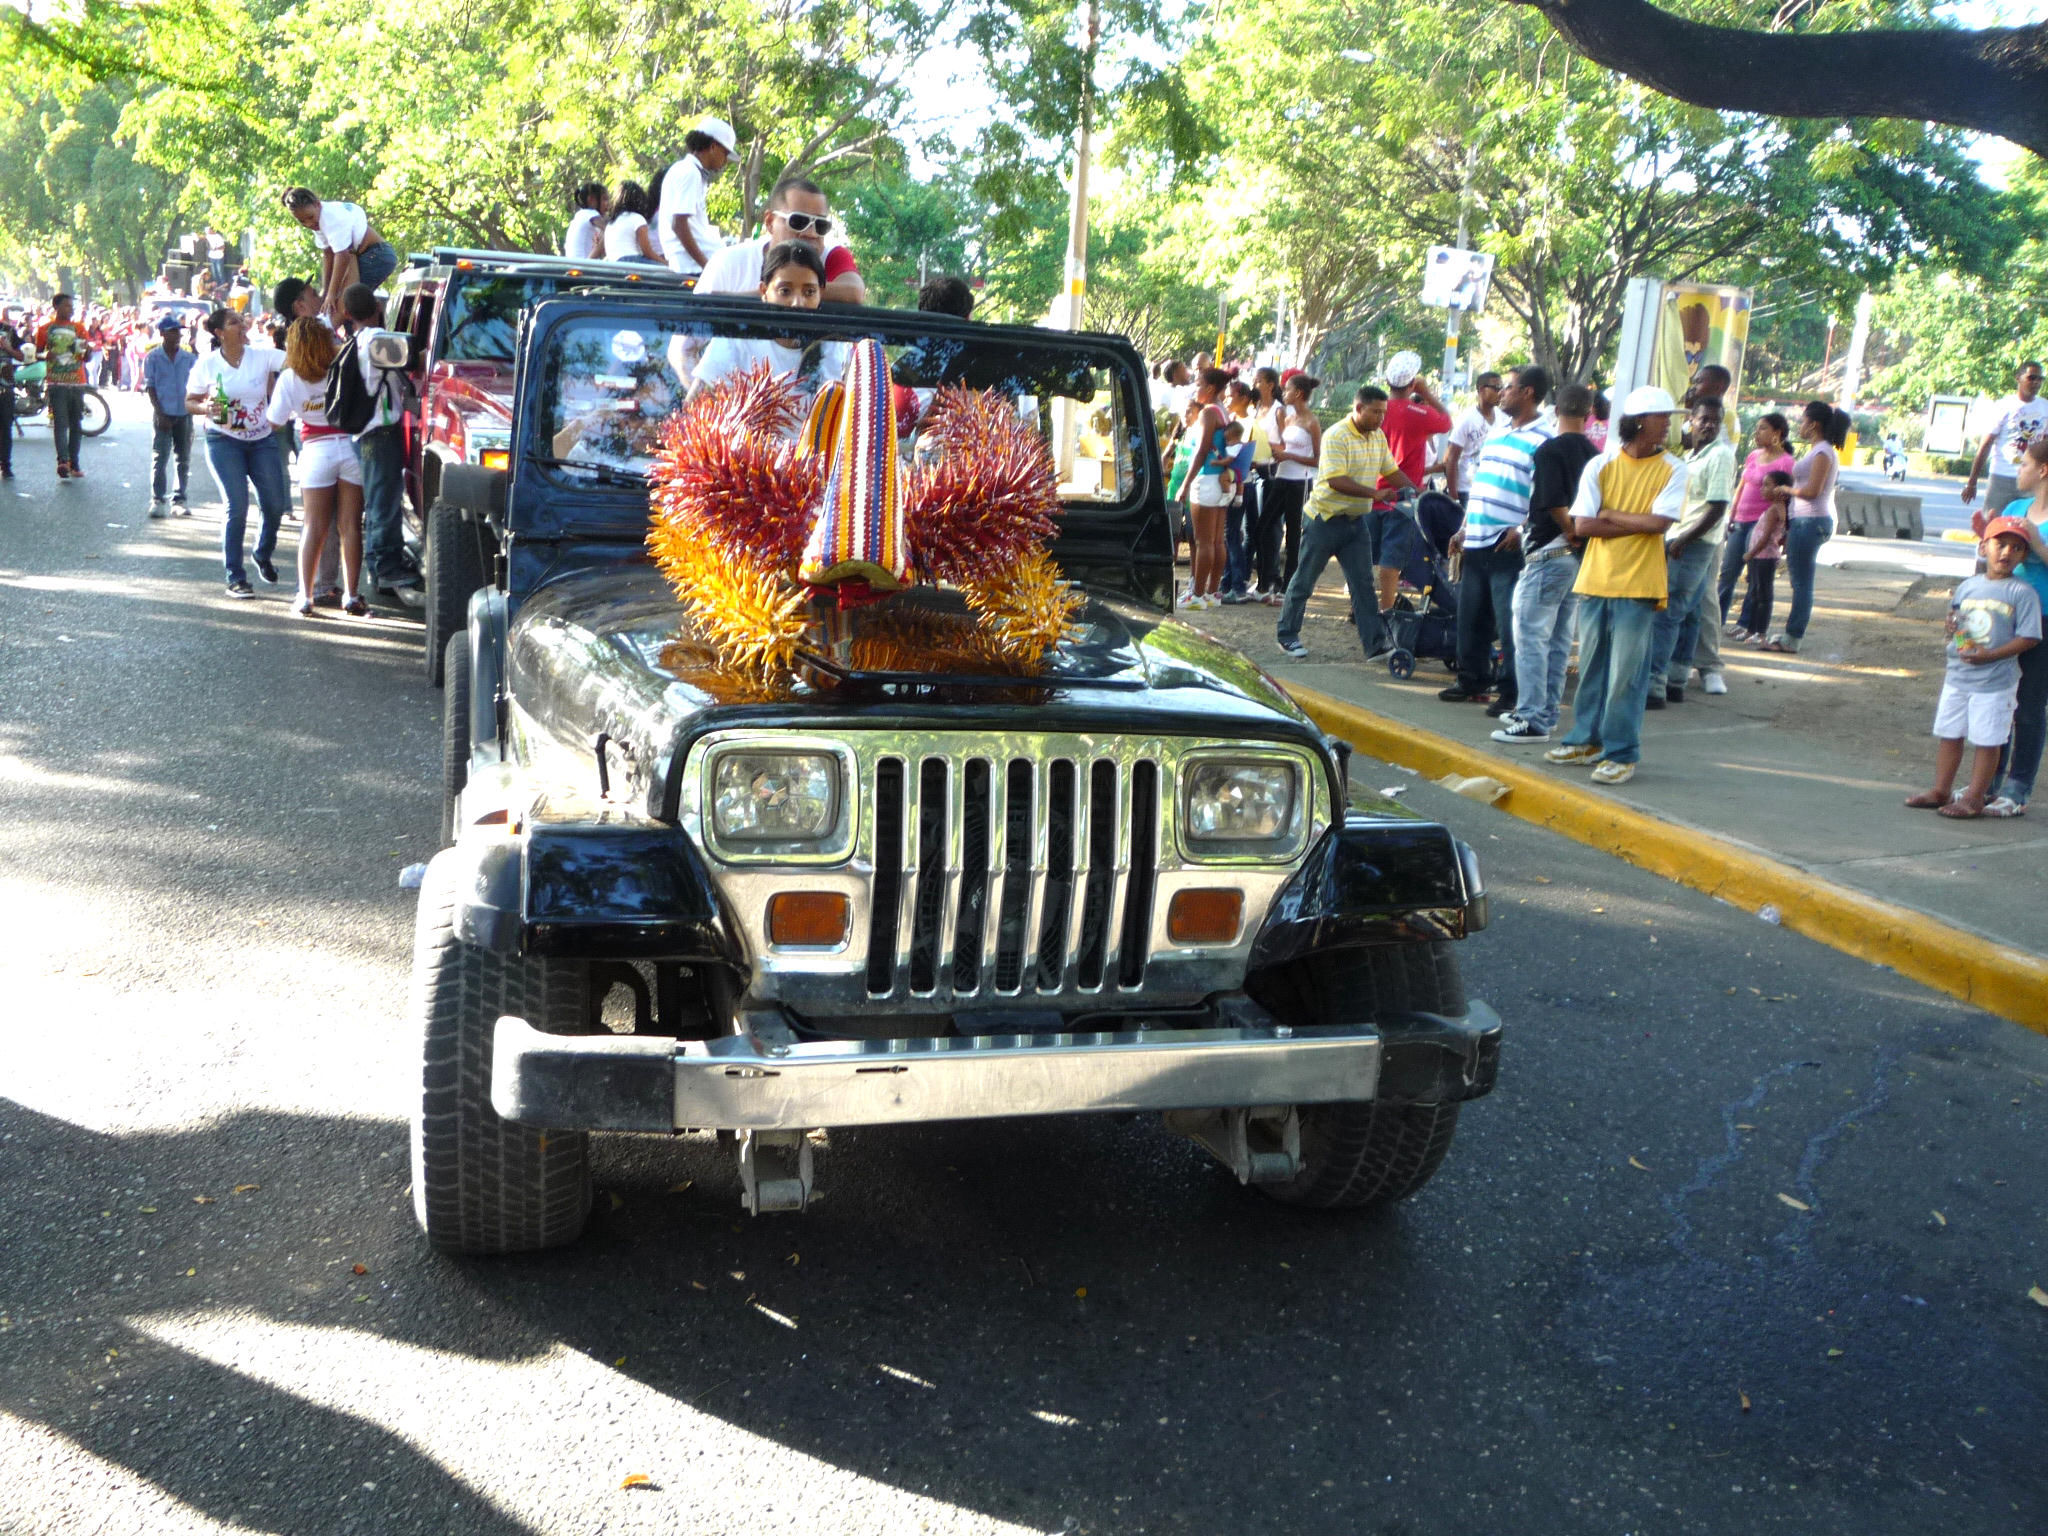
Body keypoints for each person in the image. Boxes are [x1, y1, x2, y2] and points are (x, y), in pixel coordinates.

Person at [1543, 385, 1686, 786]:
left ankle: (1621, 752)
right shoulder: (1601, 465)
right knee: (1592, 667)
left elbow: (1661, 524)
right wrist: (1633, 521)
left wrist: (1610, 514)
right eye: (1663, 418)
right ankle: (1585, 740)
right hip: (1597, 580)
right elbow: (1584, 525)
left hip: (1640, 585)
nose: (1668, 425)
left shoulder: (1674, 468)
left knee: (1626, 673)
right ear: (1639, 422)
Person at [1905, 520, 2040, 819]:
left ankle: (1975, 797)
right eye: (2000, 544)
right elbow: (1956, 621)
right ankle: (1941, 789)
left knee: (1988, 739)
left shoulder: (2022, 592)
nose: (2006, 552)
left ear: (2023, 556)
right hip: (1959, 674)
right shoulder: (1968, 586)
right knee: (1950, 733)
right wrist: (1951, 628)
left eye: (2016, 548)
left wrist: (1991, 655)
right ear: (1983, 547)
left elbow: (2029, 637)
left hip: (1995, 681)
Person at [1275, 385, 1417, 662]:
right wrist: (1375, 493)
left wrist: (1418, 492)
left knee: (1363, 584)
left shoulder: (1378, 437)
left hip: (1355, 522)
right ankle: (1287, 635)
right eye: (1375, 412)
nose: (1380, 418)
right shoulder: (1336, 435)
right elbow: (1335, 480)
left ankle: (1375, 645)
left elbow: (1391, 471)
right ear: (1359, 408)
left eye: (1383, 413)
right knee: (1304, 581)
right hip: (1324, 520)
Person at [1492, 383, 1598, 744]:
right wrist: (1578, 537)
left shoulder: (1549, 450)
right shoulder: (1594, 453)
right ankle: (1546, 712)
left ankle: (1532, 716)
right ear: (1589, 414)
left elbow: (1553, 501)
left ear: (1555, 411)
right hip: (1574, 559)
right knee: (1557, 639)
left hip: (1549, 552)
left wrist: (1570, 531)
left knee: (1531, 638)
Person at [1443, 364, 1551, 710]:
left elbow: (1544, 495)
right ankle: (1472, 679)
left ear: (1528, 392)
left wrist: (1521, 529)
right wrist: (1464, 527)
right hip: (1476, 538)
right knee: (1471, 615)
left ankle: (1511, 691)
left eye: (1509, 387)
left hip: (1507, 544)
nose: (1501, 393)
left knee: (1509, 622)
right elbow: (1481, 486)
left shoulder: (1543, 440)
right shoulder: (1497, 432)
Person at [187, 307, 289, 599]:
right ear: (219, 332)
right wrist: (206, 407)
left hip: (262, 440)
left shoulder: (262, 355)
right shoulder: (207, 364)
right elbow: (189, 402)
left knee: (274, 503)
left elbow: (298, 360)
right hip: (224, 441)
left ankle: (262, 552)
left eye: (242, 320)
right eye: (234, 322)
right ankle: (236, 576)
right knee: (237, 505)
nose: (243, 325)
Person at [269, 317, 367, 617]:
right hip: (351, 447)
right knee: (350, 526)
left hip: (314, 451)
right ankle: (351, 594)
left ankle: (306, 595)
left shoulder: (290, 377)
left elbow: (274, 421)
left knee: (313, 526)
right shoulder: (344, 368)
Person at [1648, 396, 1736, 706]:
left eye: (1715, 420)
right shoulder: (1692, 456)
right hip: (1681, 537)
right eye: (1703, 419)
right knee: (1688, 613)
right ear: (1692, 422)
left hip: (1693, 542)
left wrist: (1683, 539)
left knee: (1668, 613)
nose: (1709, 424)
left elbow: (1717, 507)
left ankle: (1655, 685)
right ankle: (1675, 679)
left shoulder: (1720, 456)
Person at [338, 284, 422, 607]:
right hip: (380, 432)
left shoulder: (356, 342)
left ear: (347, 314)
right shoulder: (378, 341)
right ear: (376, 308)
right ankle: (386, 566)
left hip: (364, 433)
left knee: (377, 501)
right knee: (383, 502)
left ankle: (378, 564)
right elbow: (414, 356)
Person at [686, 242, 847, 398]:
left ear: (821, 293)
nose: (798, 303)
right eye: (785, 291)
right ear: (764, 291)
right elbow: (695, 407)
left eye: (809, 292)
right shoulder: (737, 340)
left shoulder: (834, 349)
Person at [1984, 436, 2048, 816]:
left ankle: (2017, 787)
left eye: (2025, 464)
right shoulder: (2015, 506)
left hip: (2042, 620)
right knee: (1998, 701)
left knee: (2029, 705)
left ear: (2043, 470)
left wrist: (2037, 542)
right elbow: (1995, 559)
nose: (2019, 470)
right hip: (2004, 614)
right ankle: (1987, 781)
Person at [694, 177, 867, 305]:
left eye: (821, 225)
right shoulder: (728, 262)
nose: (812, 233)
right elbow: (684, 346)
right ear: (770, 222)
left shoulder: (831, 256)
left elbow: (854, 292)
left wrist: (774, 293)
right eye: (799, 221)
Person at [1760, 399, 1846, 654]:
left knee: (1801, 582)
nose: (1800, 424)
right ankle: (1791, 634)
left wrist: (1785, 489)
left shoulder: (1822, 452)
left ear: (1814, 424)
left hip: (1811, 520)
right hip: (1806, 520)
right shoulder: (1819, 450)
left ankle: (1792, 637)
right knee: (1800, 580)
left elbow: (1812, 490)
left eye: (1804, 420)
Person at [1374, 359, 1452, 618]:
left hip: (1370, 491)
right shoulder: (1418, 413)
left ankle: (1361, 606)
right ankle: (1386, 610)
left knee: (1366, 555)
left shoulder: (1376, 409)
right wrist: (1427, 393)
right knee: (1391, 558)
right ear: (1412, 383)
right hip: (1402, 496)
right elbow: (1446, 422)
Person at [1719, 411, 1794, 638]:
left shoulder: (1787, 462)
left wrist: (1784, 531)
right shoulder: (1753, 455)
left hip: (1762, 523)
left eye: (1763, 428)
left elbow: (1786, 497)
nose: (1757, 432)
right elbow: (1742, 485)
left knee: (1754, 576)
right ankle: (1716, 618)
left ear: (1777, 433)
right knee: (1728, 571)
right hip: (1740, 519)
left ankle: (1746, 624)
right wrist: (1731, 514)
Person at [282, 188, 397, 321]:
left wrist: (331, 294)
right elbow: (328, 255)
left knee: (347, 305)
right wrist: (326, 291)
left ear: (318, 204)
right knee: (340, 304)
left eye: (310, 217)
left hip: (377, 255)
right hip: (361, 255)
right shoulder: (318, 221)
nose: (309, 224)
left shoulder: (331, 218)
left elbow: (342, 257)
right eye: (302, 221)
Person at [1961, 361, 2048, 521]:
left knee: (2028, 529)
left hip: (2032, 478)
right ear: (2018, 378)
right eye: (2031, 378)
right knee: (1993, 525)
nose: (2036, 382)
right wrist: (1972, 482)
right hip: (2002, 477)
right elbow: (1985, 445)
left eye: (2040, 379)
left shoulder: (2045, 407)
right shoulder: (2003, 406)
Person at [1260, 373, 1321, 594]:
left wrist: (1288, 456)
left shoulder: (1311, 421)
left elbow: (1317, 458)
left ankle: (1289, 586)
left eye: (1287, 390)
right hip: (1281, 477)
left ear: (1298, 393)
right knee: (1262, 527)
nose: (1283, 393)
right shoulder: (1288, 418)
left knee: (1294, 534)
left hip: (1299, 482)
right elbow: (1287, 447)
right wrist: (1272, 449)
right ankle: (1265, 581)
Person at [1177, 368, 1233, 608]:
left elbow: (1201, 451)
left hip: (1207, 479)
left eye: (1198, 384)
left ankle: (1197, 595)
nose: (1195, 388)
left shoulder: (1208, 413)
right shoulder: (1223, 410)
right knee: (1217, 540)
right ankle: (1211, 592)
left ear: (1210, 388)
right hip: (1222, 481)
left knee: (1203, 542)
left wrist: (1185, 484)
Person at [655, 118, 737, 276]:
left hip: (690, 265)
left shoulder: (686, 170)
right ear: (713, 147)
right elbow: (678, 224)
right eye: (725, 154)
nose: (725, 161)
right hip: (693, 268)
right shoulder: (690, 172)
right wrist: (706, 266)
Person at [143, 315, 196, 517]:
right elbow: (151, 387)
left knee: (183, 458)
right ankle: (157, 499)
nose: (178, 334)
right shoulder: (153, 358)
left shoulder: (189, 358)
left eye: (179, 331)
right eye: (173, 330)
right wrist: (159, 412)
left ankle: (179, 499)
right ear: (163, 333)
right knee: (160, 457)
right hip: (163, 414)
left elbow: (196, 386)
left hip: (184, 414)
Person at [36, 293, 90, 480]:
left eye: (71, 306)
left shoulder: (79, 328)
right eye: (67, 305)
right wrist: (45, 356)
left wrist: (88, 349)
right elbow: (37, 354)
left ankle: (74, 464)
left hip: (77, 382)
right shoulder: (44, 329)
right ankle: (62, 462)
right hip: (56, 382)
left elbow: (86, 357)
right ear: (56, 307)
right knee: (61, 423)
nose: (71, 309)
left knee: (76, 423)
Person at [1734, 470, 1791, 640]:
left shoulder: (1775, 510)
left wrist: (1750, 554)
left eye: (1767, 485)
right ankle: (1751, 631)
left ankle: (1761, 633)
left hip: (1764, 557)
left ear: (1780, 489)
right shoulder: (1774, 509)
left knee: (1763, 596)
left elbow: (1766, 538)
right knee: (1755, 594)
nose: (1762, 489)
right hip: (1760, 557)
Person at [1441, 372, 1502, 509]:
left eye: (1501, 388)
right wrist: (1454, 496)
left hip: (1492, 489)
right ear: (1481, 389)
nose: (1500, 392)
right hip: (1467, 490)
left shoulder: (1503, 418)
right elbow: (1451, 459)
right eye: (1495, 388)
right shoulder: (1467, 419)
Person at [601, 182, 662, 264]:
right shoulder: (637, 218)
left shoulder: (611, 223)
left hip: (613, 263)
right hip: (631, 260)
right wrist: (666, 263)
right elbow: (648, 253)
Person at [564, 182, 608, 259]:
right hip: (584, 262)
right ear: (591, 200)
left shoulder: (580, 215)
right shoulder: (591, 214)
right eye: (604, 199)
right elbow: (610, 230)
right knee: (609, 233)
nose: (607, 203)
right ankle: (590, 259)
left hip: (572, 262)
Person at [0, 312, 19, 479]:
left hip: (5, 388)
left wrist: (8, 349)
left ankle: (5, 464)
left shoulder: (9, 331)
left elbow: (22, 355)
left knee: (6, 427)